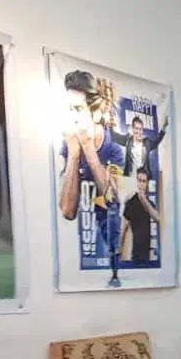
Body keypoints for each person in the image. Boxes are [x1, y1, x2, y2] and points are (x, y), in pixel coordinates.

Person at [58, 70, 126, 287]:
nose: (73, 117)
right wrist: (74, 155)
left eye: (78, 110)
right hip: (91, 221)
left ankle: (115, 274)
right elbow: (67, 211)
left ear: (95, 113)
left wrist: (88, 149)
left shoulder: (114, 148)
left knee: (112, 237)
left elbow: (112, 198)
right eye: (70, 110)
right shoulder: (69, 145)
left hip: (109, 217)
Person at [121, 168, 160, 265]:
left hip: (150, 256)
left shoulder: (150, 203)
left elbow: (157, 218)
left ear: (147, 183)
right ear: (136, 182)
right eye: (139, 181)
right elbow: (123, 229)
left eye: (144, 181)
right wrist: (119, 252)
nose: (141, 184)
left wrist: (144, 200)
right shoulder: (131, 203)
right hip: (135, 256)